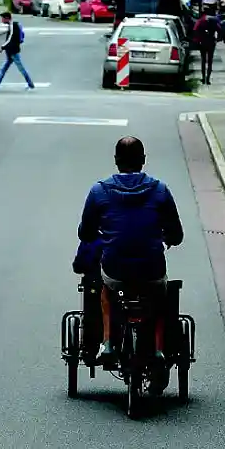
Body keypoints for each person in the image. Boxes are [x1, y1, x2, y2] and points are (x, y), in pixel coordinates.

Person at [78, 137, 184, 371]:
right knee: (159, 295)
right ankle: (158, 349)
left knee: (105, 289)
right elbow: (177, 234)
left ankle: (106, 343)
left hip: (115, 267)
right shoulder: (160, 190)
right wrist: (166, 239)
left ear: (116, 161)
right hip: (151, 268)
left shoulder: (99, 190)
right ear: (143, 160)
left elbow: (85, 232)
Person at [0, 11, 34, 90]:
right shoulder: (12, 25)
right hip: (11, 51)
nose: (1, 20)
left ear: (7, 18)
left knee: (21, 69)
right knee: (4, 69)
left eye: (2, 18)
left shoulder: (13, 26)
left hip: (13, 51)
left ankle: (30, 84)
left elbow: (10, 39)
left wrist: (2, 47)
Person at [192, 9, 221, 84]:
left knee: (203, 60)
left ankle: (203, 78)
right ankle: (208, 79)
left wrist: (198, 39)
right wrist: (217, 39)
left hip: (203, 42)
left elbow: (195, 29)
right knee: (210, 61)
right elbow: (219, 30)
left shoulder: (200, 21)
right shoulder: (214, 21)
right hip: (211, 42)